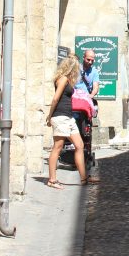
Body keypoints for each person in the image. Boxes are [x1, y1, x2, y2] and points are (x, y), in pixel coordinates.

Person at [46, 55, 99, 189]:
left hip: (68, 117)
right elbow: (55, 99)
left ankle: (83, 178)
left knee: (79, 145)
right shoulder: (63, 79)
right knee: (58, 147)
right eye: (76, 69)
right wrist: (49, 116)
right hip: (60, 116)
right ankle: (52, 180)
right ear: (71, 68)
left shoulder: (67, 81)